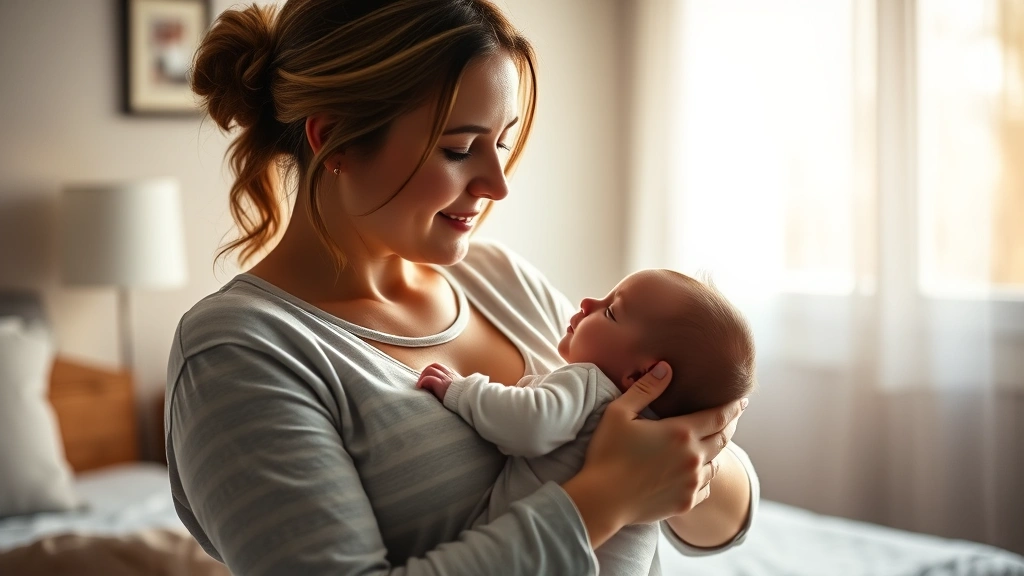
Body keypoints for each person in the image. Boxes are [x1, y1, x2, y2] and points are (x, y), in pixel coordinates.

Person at [165, 1, 760, 574]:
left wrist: (680, 459)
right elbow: (634, 485)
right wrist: (608, 498)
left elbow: (722, 522)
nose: (497, 184)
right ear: (335, 140)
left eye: (501, 143)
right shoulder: (238, 350)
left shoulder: (500, 279)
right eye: (457, 150)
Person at [416, 269, 756, 575]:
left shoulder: (588, 381)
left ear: (642, 375)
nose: (587, 302)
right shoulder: (654, 432)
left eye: (610, 311)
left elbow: (530, 425)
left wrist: (462, 390)